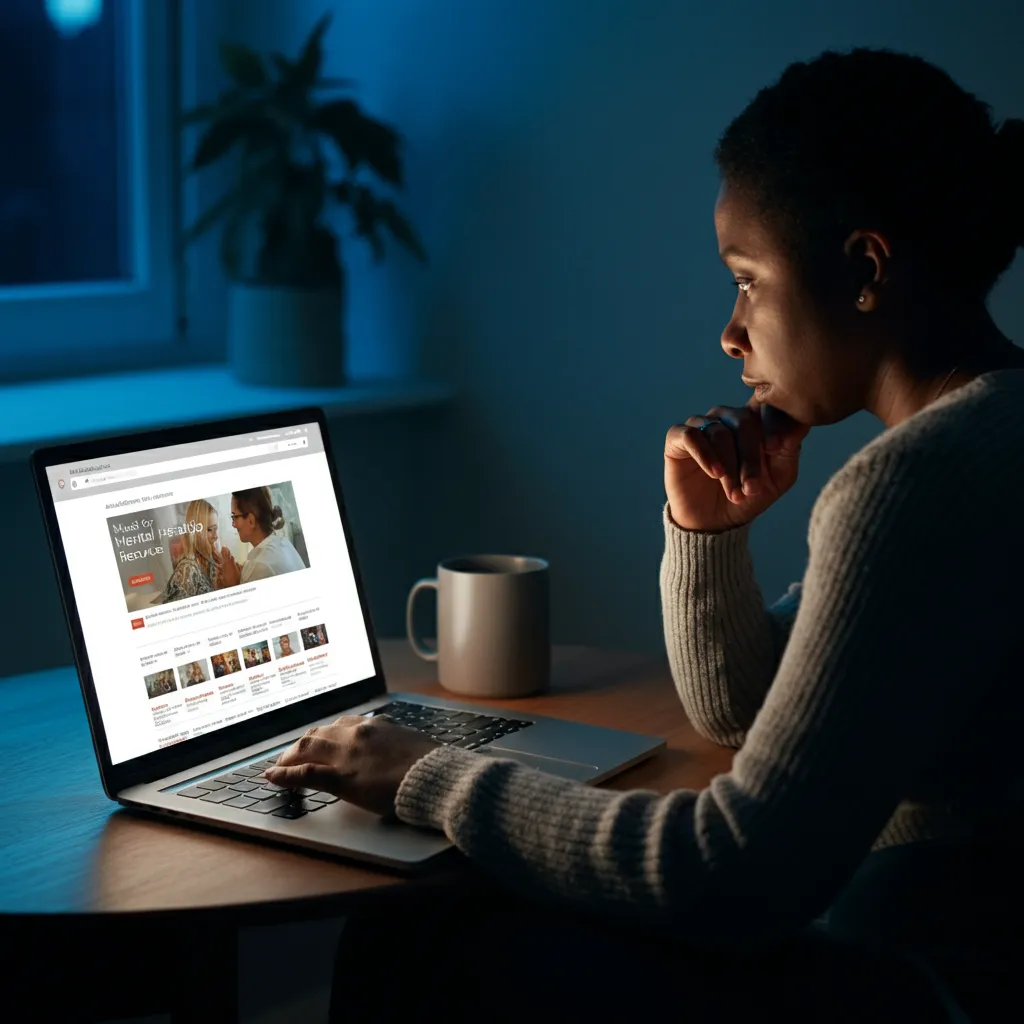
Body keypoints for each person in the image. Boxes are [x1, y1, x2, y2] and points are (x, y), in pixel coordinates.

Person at [264, 48, 1024, 1022]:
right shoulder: (987, 435)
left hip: (930, 985)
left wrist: (430, 775)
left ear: (865, 268)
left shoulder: (908, 484)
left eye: (747, 279)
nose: (729, 330)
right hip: (943, 946)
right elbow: (749, 713)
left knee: (412, 943)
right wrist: (706, 536)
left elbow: (737, 873)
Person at [218, 487, 306, 586]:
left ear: (251, 520)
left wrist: (232, 583)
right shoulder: (283, 543)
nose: (233, 524)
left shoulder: (260, 566)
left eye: (234, 517)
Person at [160, 499, 222, 603]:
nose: (216, 536)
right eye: (210, 530)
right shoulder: (187, 570)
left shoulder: (211, 560)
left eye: (216, 529)